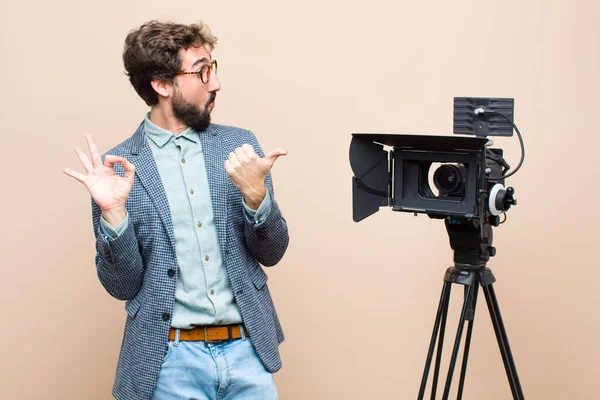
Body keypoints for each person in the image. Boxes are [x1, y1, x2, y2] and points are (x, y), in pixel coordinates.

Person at [62, 20, 289, 400]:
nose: (214, 83)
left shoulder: (239, 146)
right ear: (162, 84)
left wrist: (256, 197)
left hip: (248, 351)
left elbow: (273, 252)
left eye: (213, 67)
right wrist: (114, 213)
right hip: (169, 363)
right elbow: (122, 286)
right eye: (202, 71)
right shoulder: (116, 171)